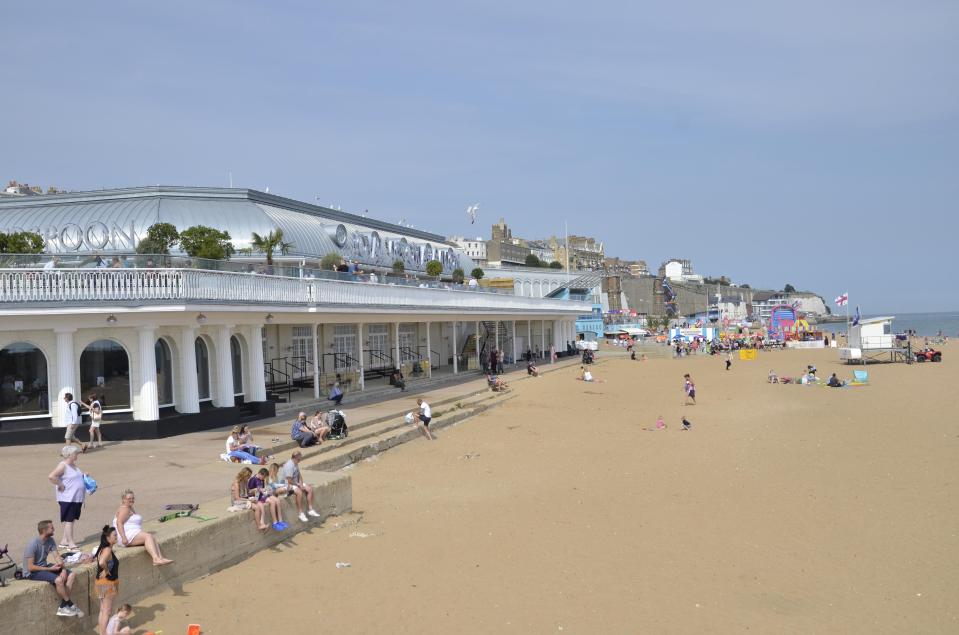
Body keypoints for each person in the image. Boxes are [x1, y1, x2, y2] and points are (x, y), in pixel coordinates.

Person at [23, 519, 83, 617]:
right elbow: (30, 567)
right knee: (59, 580)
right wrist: (50, 569)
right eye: (51, 528)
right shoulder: (33, 544)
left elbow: (57, 557)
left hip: (44, 566)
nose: (54, 529)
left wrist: (63, 569)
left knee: (71, 574)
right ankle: (69, 604)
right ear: (44, 530)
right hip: (32, 572)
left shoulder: (50, 540)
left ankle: (63, 606)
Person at [112, 490, 172, 565]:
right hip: (126, 537)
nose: (131, 500)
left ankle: (160, 558)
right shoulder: (124, 509)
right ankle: (155, 559)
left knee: (152, 537)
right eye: (129, 498)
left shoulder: (130, 507)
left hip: (131, 533)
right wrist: (124, 538)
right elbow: (119, 523)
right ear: (124, 499)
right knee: (148, 537)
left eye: (133, 498)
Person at [48, 445, 85, 550]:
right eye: (75, 453)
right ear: (69, 455)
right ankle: (70, 543)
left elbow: (75, 478)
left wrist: (84, 475)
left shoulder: (74, 465)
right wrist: (60, 484)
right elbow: (51, 476)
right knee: (69, 520)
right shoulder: (63, 465)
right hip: (67, 498)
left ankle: (64, 541)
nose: (77, 454)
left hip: (76, 498)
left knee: (72, 520)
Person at [278, 451, 322, 522]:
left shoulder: (296, 463)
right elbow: (289, 480)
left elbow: (299, 474)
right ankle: (300, 513)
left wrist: (301, 483)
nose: (301, 459)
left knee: (309, 489)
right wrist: (298, 485)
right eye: (300, 458)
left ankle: (310, 509)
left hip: (295, 482)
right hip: (287, 484)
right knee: (299, 492)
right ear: (296, 458)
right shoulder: (289, 465)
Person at [94, 525, 121, 635]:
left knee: (102, 610)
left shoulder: (102, 549)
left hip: (100, 583)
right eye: (115, 535)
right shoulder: (108, 550)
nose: (117, 536)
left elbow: (100, 561)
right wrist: (106, 570)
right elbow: (101, 562)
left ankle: (101, 632)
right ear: (108, 538)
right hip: (107, 583)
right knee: (107, 611)